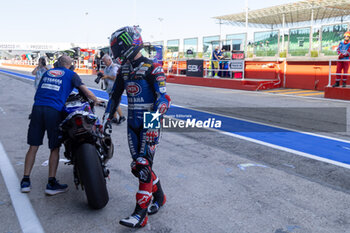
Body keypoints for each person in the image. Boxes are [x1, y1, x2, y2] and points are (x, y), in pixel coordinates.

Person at [104, 26, 171, 228]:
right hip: (132, 122)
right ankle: (160, 197)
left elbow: (164, 98)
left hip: (149, 121)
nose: (115, 54)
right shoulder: (124, 69)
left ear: (128, 44)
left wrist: (153, 123)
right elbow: (115, 96)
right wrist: (106, 118)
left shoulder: (153, 67)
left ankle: (139, 214)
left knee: (142, 166)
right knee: (138, 166)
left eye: (117, 48)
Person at [21, 55, 101, 195]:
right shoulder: (71, 74)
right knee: (54, 147)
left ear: (58, 63)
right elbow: (85, 91)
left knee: (33, 146)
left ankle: (25, 181)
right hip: (53, 110)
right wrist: (96, 100)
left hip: (37, 108)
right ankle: (51, 183)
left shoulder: (47, 72)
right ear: (70, 65)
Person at [101, 54, 126, 124]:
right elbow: (106, 76)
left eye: (105, 62)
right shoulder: (106, 68)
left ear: (109, 60)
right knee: (112, 102)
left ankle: (121, 116)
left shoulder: (114, 67)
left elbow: (116, 78)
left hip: (115, 88)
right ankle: (114, 118)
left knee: (114, 102)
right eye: (103, 62)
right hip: (109, 88)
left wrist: (107, 77)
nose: (104, 63)